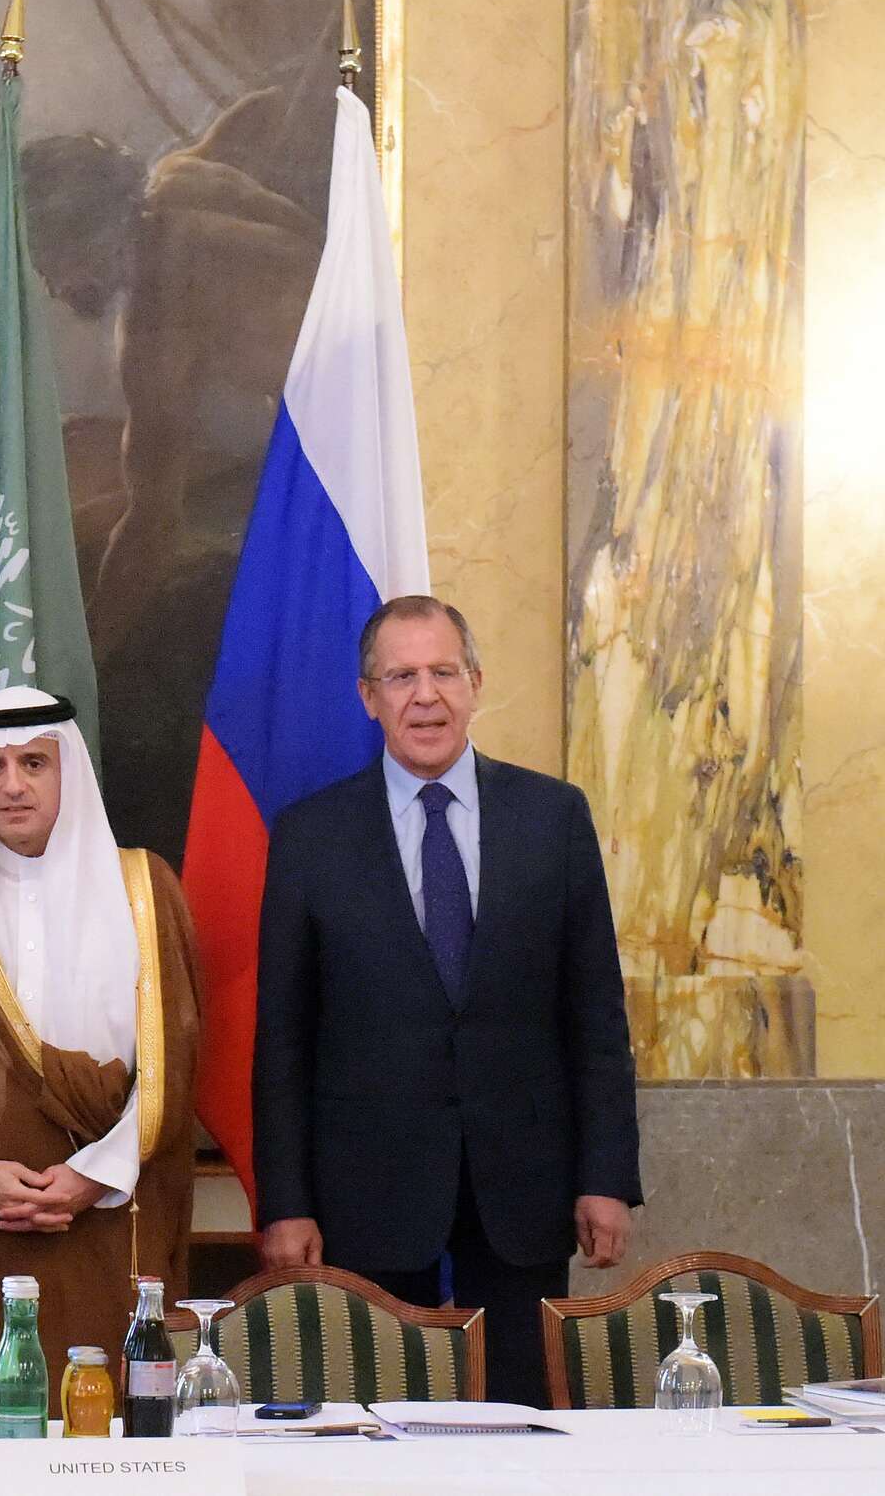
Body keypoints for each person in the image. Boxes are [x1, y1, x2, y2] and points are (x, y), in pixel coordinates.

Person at [253, 596, 642, 1406]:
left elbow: (596, 1018)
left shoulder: (554, 817)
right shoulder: (309, 835)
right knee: (375, 1413)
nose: (424, 695)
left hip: (523, 1185)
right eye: (401, 677)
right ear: (368, 697)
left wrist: (606, 1175)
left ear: (476, 683)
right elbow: (283, 1038)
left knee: (521, 1414)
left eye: (443, 672)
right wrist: (286, 1201)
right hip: (367, 1188)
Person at [0, 687, 201, 1371]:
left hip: (112, 1211)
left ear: (67, 769)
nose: (13, 785)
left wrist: (94, 1174)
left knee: (111, 1411)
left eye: (33, 763)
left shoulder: (145, 889)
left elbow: (173, 1054)